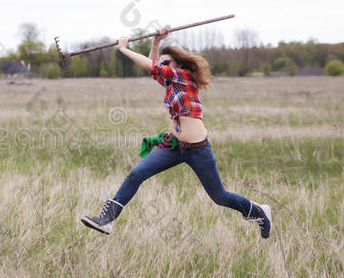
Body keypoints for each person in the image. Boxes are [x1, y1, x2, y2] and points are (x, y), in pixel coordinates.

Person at [80, 28, 272, 238]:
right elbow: (153, 69)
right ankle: (107, 220)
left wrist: (123, 48)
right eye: (161, 64)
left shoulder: (183, 76)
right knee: (136, 174)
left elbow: (150, 65)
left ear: (178, 65)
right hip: (173, 147)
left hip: (198, 150)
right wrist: (155, 43)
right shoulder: (170, 81)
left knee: (220, 197)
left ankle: (260, 213)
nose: (162, 67)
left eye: (166, 63)